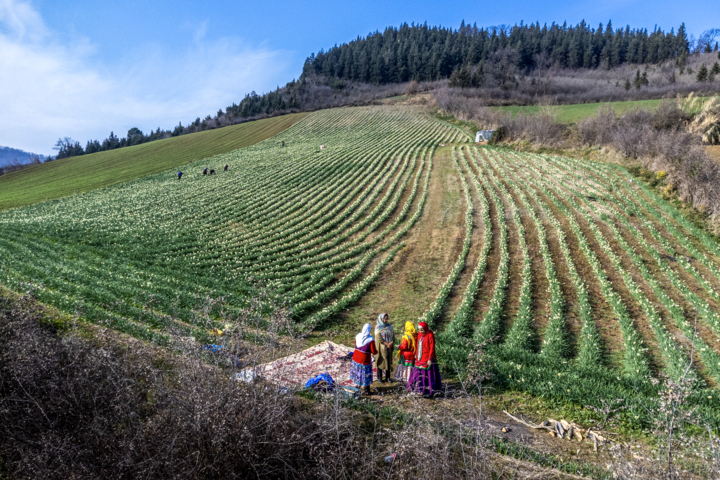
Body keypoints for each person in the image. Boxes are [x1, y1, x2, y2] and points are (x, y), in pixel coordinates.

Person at [407, 321, 442, 398]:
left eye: (422, 330)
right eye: (419, 330)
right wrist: (416, 354)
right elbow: (417, 344)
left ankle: (428, 390)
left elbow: (432, 347)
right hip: (419, 357)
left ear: (425, 329)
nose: (420, 331)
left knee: (427, 374)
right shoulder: (420, 334)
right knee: (417, 373)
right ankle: (418, 389)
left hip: (426, 357)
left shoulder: (430, 335)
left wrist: (430, 358)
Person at [351, 324, 377, 395]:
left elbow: (356, 345)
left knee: (357, 373)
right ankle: (367, 390)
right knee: (366, 374)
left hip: (355, 358)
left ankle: (357, 388)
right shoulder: (370, 340)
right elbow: (373, 351)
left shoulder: (358, 336)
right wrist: (378, 351)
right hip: (364, 360)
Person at [375, 313, 394, 382]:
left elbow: (393, 335)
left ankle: (387, 377)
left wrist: (391, 342)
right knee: (381, 360)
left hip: (389, 347)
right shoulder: (378, 327)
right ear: (381, 319)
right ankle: (379, 377)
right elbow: (378, 338)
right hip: (381, 347)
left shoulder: (389, 326)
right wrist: (386, 343)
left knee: (388, 361)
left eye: (387, 318)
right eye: (385, 319)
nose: (386, 320)